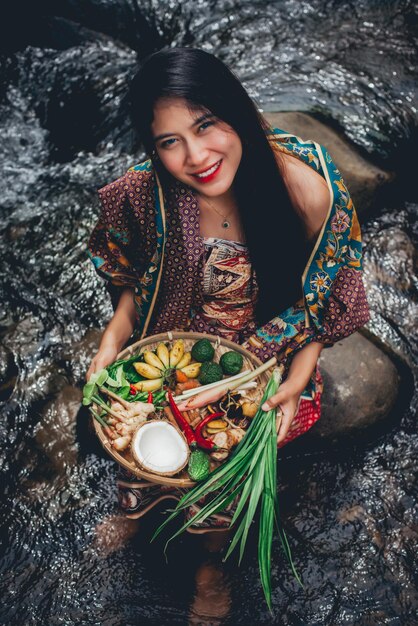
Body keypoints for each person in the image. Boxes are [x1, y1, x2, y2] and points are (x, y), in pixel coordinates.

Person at [87, 47, 370, 532]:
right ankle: (139, 509)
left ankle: (212, 566)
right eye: (169, 142)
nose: (196, 158)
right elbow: (133, 281)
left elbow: (325, 300)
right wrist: (113, 340)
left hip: (270, 365)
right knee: (137, 432)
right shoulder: (143, 194)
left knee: (222, 466)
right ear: (153, 149)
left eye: (205, 125)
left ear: (237, 111)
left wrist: (298, 379)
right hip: (177, 350)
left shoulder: (305, 193)